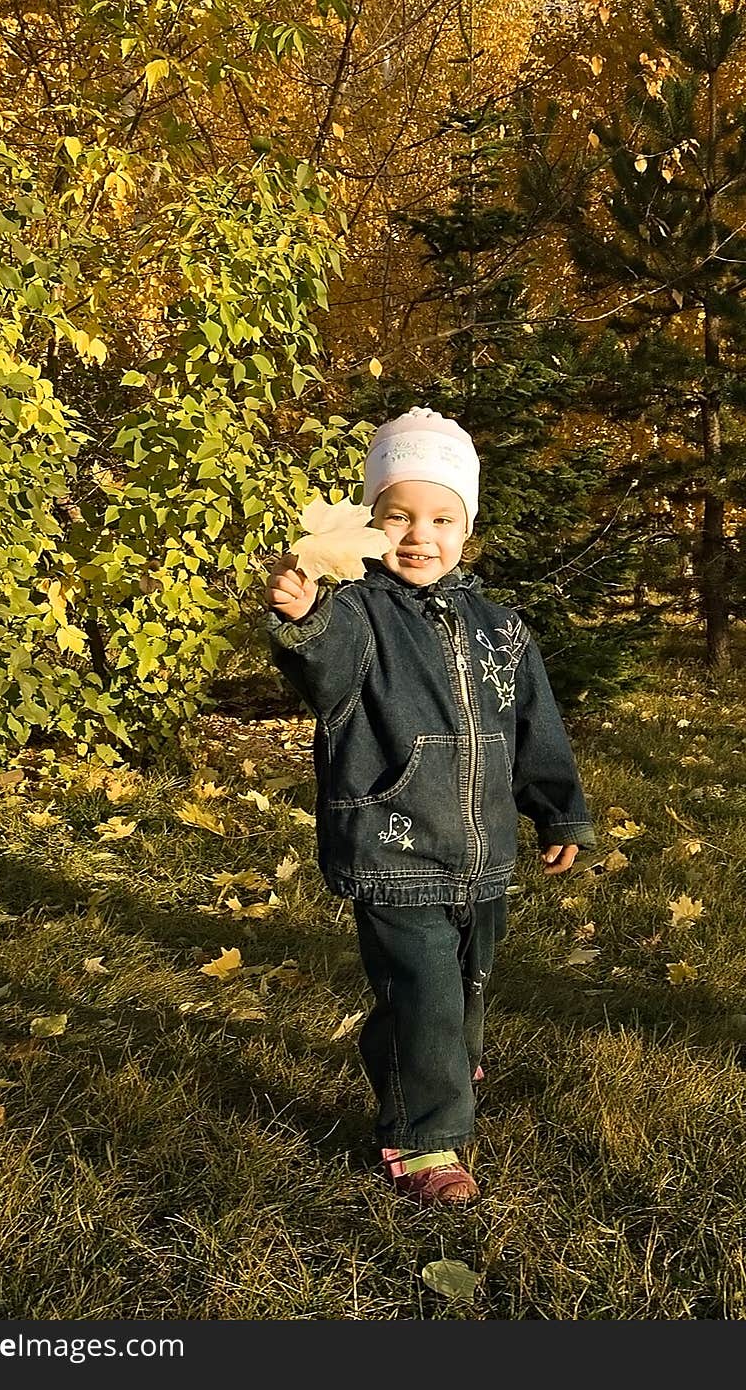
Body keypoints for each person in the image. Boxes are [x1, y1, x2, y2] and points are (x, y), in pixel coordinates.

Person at [262, 406, 595, 1204]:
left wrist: (559, 810)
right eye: (398, 516)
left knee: (467, 991)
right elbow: (324, 669)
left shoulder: (501, 630)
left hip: (484, 857)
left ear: (466, 529)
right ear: (371, 523)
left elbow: (534, 728)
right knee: (424, 996)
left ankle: (441, 1060)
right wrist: (302, 617)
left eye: (442, 518)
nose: (419, 536)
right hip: (393, 846)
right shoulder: (355, 616)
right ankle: (423, 1143)